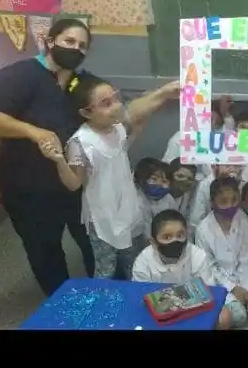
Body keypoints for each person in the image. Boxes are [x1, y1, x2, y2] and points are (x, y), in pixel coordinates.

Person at [0, 18, 97, 296]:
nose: (75, 49)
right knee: (45, 251)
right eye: (69, 41)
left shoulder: (79, 82)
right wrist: (31, 131)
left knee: (92, 240)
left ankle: (105, 292)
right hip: (29, 188)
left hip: (73, 182)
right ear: (50, 41)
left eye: (82, 46)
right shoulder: (20, 75)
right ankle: (62, 304)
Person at [41, 72, 179, 279]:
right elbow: (74, 183)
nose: (116, 106)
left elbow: (119, 151)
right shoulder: (81, 143)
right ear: (86, 112)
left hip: (127, 207)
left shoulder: (117, 129)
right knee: (106, 268)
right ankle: (103, 298)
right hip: (102, 216)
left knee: (134, 263)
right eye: (106, 103)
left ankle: (136, 295)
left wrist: (142, 121)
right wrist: (59, 160)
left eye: (115, 98)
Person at [194, 176, 248, 327]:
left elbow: (245, 258)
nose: (230, 206)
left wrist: (244, 288)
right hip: (218, 282)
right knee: (239, 317)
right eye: (223, 201)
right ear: (212, 203)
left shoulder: (241, 219)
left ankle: (247, 296)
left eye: (234, 200)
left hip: (243, 274)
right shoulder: (203, 229)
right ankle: (240, 300)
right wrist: (233, 288)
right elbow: (209, 268)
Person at [131, 209, 235, 330]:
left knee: (224, 316)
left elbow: (208, 291)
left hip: (194, 310)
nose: (174, 241)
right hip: (159, 315)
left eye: (180, 236)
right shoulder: (143, 262)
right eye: (167, 237)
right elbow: (142, 300)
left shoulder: (198, 255)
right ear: (154, 242)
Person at [162, 96, 234, 179]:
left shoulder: (219, 137)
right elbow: (168, 167)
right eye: (208, 119)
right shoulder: (180, 138)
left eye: (216, 123)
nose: (211, 125)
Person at [188, 164, 243, 238]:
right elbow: (196, 220)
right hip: (209, 232)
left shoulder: (237, 183)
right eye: (227, 166)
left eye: (236, 166)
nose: (232, 169)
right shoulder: (205, 186)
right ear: (215, 166)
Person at [133, 158, 178, 247]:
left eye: (164, 181)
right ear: (143, 180)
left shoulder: (169, 199)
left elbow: (174, 222)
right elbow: (143, 232)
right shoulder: (137, 200)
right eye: (153, 179)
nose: (159, 184)